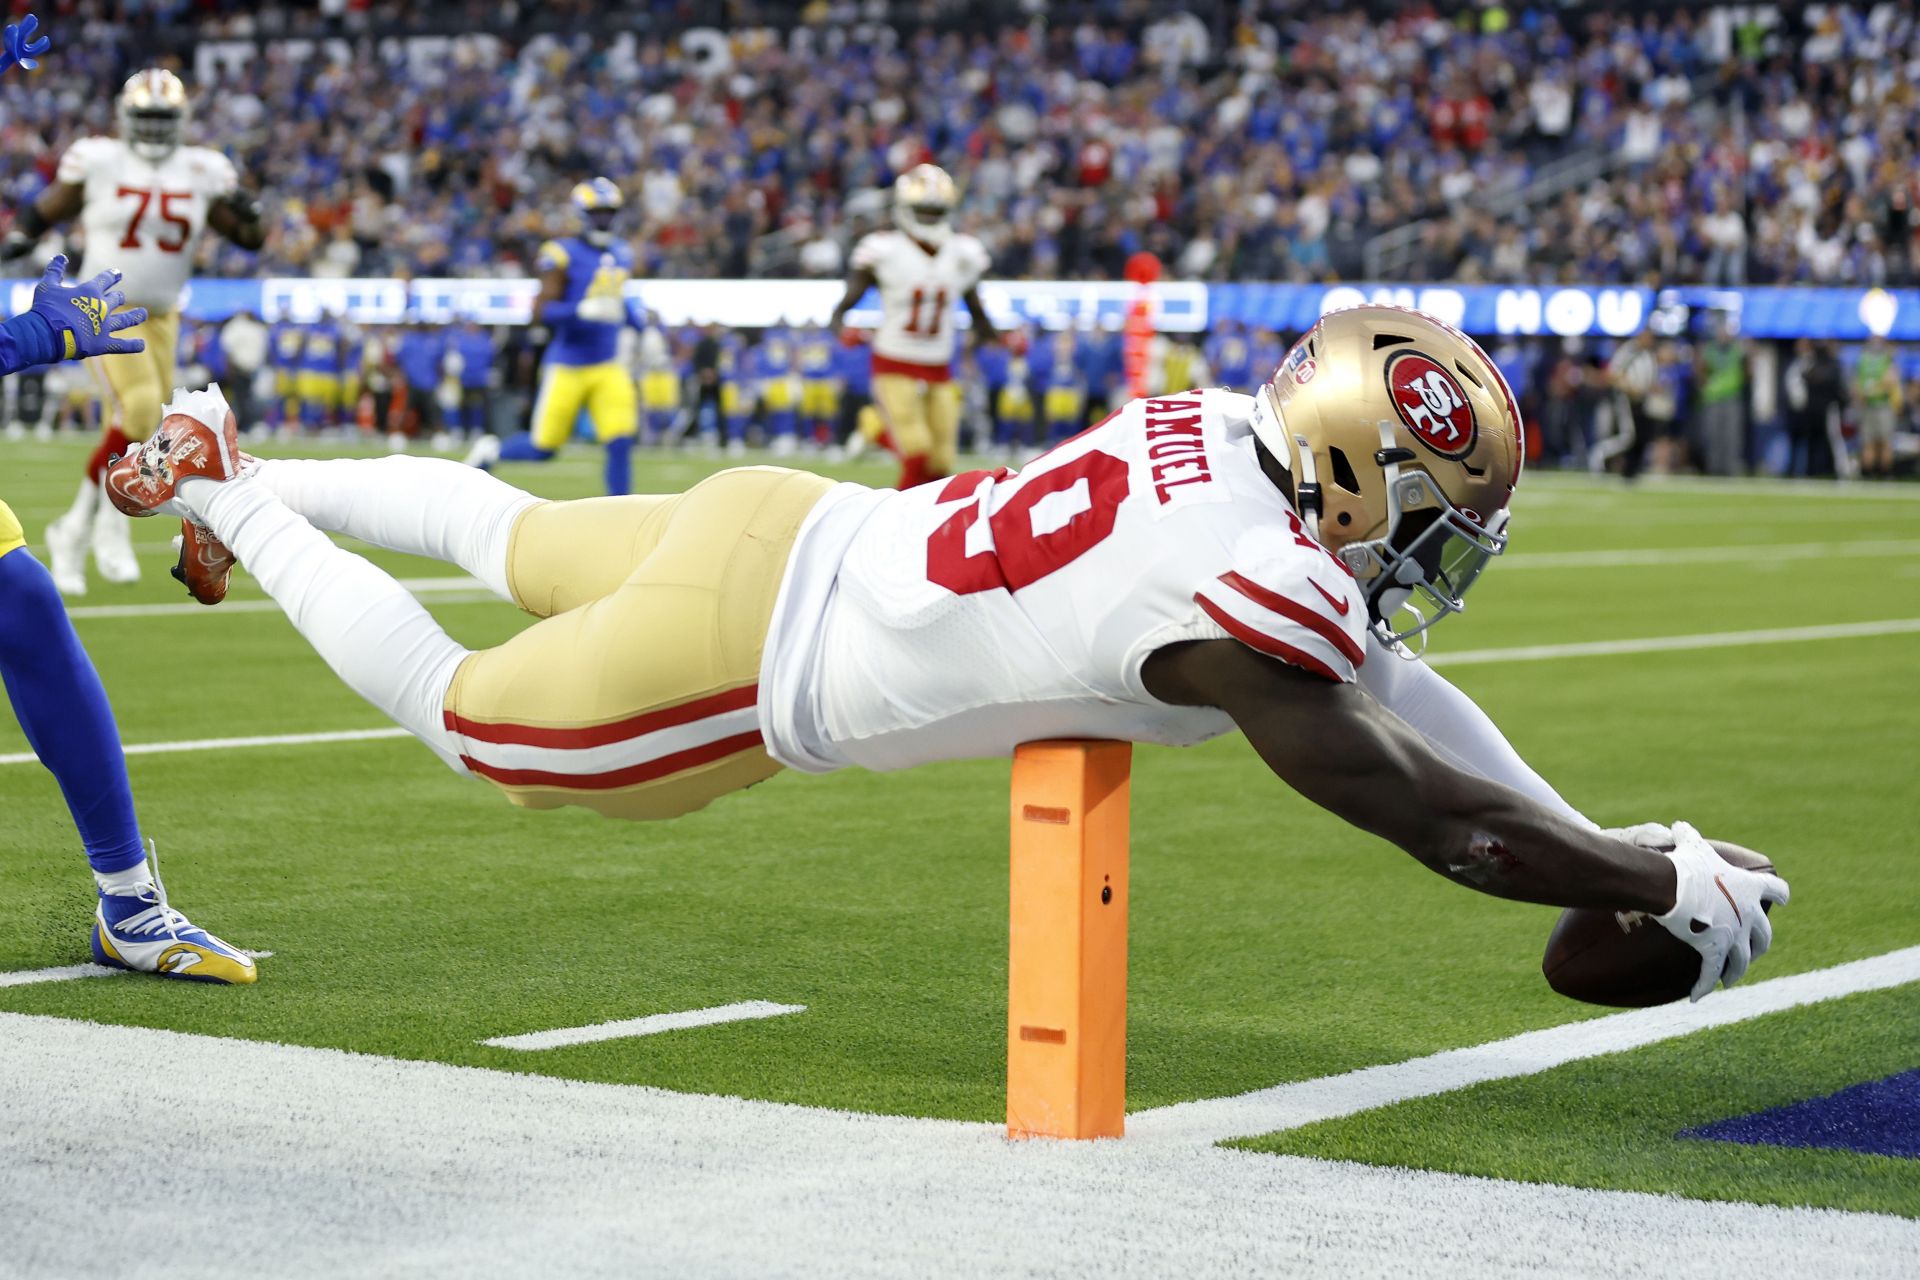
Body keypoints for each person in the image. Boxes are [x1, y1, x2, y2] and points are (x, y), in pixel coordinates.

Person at [106, 306, 1786, 1002]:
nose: (1432, 562)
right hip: (758, 662)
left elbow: (1408, 699)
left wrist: (1638, 853)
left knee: (514, 535)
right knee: (468, 720)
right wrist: (1641, 879)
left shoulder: (1221, 433)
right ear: (1355, 469)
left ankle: (236, 446)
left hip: (786, 523)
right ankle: (239, 495)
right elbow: (1443, 818)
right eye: (1432, 518)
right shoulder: (1258, 609)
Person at [0, 30, 257, 988]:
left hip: (153, 304)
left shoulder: (182, 166)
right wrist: (18, 342)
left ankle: (128, 903)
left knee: (21, 606)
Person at [4, 67, 265, 595]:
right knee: (144, 407)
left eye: (162, 118)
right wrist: (15, 239)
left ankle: (76, 529)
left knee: (147, 426)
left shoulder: (203, 168)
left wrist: (249, 210)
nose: (152, 129)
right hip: (101, 307)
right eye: (144, 117)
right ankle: (107, 526)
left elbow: (250, 238)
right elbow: (43, 209)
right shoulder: (99, 158)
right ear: (126, 117)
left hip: (164, 312)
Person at [464, 178, 641, 494]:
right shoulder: (561, 252)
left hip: (607, 362)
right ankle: (491, 450)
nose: (603, 219)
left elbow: (616, 301)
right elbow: (539, 312)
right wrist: (579, 311)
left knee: (621, 440)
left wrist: (641, 324)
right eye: (597, 213)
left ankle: (624, 516)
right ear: (582, 215)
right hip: (568, 364)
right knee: (543, 448)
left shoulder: (621, 252)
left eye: (608, 213)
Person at [829, 165, 997, 488]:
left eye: (937, 210)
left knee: (942, 463)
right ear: (904, 209)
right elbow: (841, 310)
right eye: (923, 210)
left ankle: (876, 430)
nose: (931, 217)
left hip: (939, 365)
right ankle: (900, 519)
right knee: (917, 453)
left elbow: (977, 310)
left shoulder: (962, 252)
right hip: (894, 359)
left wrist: (999, 339)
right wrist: (842, 330)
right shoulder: (884, 249)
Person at [1852, 333, 1901, 479]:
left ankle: (1871, 474)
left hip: (1872, 405)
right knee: (1881, 443)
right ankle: (1883, 474)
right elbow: (1890, 381)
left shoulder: (1863, 360)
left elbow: (1856, 387)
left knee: (1872, 443)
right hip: (1880, 405)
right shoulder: (1884, 360)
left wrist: (1866, 393)